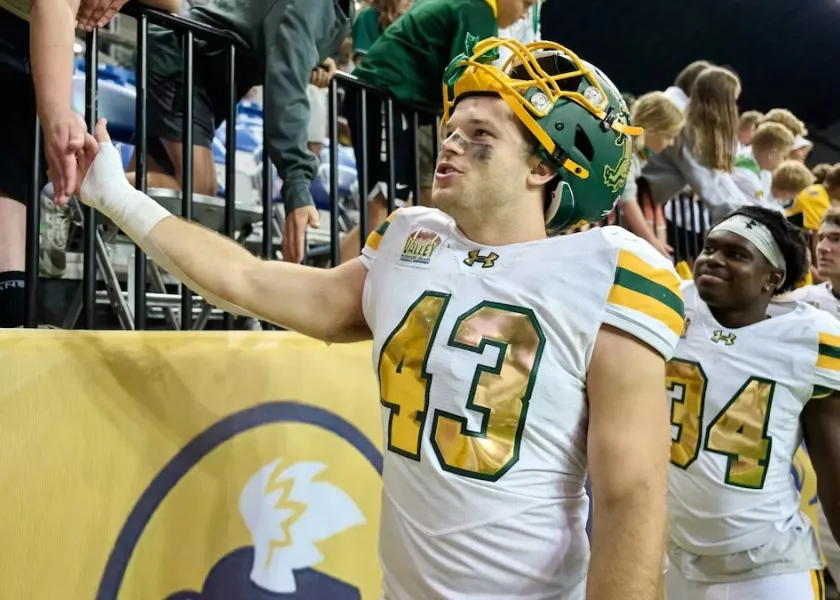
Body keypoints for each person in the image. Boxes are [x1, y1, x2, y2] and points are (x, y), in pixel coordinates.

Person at [72, 38, 680, 599]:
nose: (450, 143)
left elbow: (630, 496)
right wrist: (116, 195)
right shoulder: (412, 241)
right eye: (451, 129)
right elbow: (246, 280)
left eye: (480, 133)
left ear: (543, 167)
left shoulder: (605, 270)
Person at [665, 205, 840, 599]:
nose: (713, 259)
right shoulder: (671, 306)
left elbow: (834, 470)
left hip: (769, 566)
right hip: (676, 558)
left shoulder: (810, 339)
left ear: (771, 279)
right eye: (710, 248)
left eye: (737, 254)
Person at [125, 0, 353, 265]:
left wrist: (317, 55)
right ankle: (75, 188)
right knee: (198, 189)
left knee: (148, 184)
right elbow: (286, 86)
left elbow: (276, 28)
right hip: (184, 59)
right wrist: (297, 185)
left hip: (204, 74)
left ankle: (85, 203)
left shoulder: (341, 10)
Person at [0, 0, 177, 328]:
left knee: (14, 186)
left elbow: (176, 3)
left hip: (36, 41)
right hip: (23, 30)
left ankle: (12, 319)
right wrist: (56, 112)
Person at [338, 0, 537, 263]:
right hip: (382, 94)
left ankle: (339, 278)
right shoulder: (479, 10)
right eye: (526, 4)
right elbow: (473, 86)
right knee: (383, 199)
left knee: (393, 201)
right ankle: (349, 292)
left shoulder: (466, 6)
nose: (524, 15)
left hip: (393, 99)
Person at [789, 208, 840, 586]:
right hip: (827, 444)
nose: (823, 247)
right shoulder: (801, 302)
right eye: (820, 238)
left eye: (835, 240)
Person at [617, 91, 684, 257]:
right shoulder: (627, 151)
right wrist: (651, 241)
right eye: (669, 136)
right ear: (652, 129)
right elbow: (627, 198)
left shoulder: (640, 152)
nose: (671, 143)